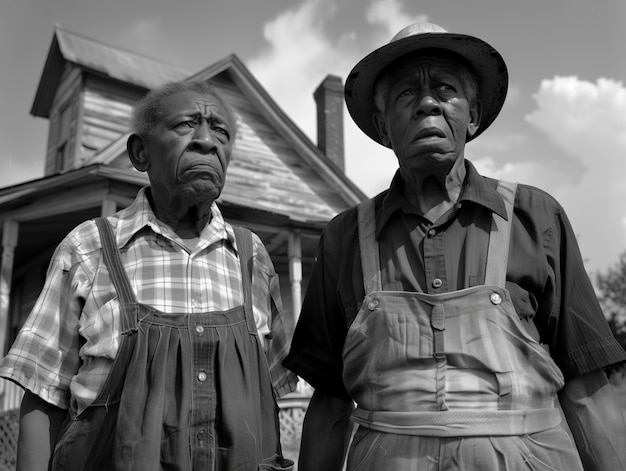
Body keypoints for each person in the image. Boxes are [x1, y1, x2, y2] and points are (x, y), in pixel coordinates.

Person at [284, 23, 626, 471]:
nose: (428, 102)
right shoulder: (344, 237)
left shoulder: (535, 217)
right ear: (383, 126)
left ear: (474, 116)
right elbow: (329, 407)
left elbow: (586, 390)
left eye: (445, 89)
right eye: (407, 94)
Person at [0, 80, 296, 471]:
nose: (207, 141)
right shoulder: (89, 248)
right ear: (141, 153)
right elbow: (44, 394)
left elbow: (270, 391)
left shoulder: (252, 256)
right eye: (185, 125)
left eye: (220, 131)